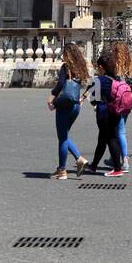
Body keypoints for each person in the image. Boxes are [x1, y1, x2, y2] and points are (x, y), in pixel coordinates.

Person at [47, 41, 90, 180]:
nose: (62, 56)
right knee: (64, 135)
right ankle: (76, 160)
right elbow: (92, 84)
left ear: (68, 54)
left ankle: (63, 169)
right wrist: (83, 97)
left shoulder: (66, 67)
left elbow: (60, 85)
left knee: (62, 138)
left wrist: (51, 99)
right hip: (76, 105)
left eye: (64, 54)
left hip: (65, 104)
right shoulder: (81, 67)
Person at [85, 50, 131, 177]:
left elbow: (92, 99)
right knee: (102, 139)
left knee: (110, 139)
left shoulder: (97, 80)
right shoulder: (116, 78)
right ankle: (93, 165)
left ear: (101, 67)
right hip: (116, 111)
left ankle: (117, 168)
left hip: (104, 112)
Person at [108, 39, 132, 173]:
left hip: (118, 100)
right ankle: (114, 157)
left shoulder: (115, 66)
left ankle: (124, 160)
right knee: (119, 129)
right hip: (128, 99)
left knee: (119, 131)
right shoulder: (128, 65)